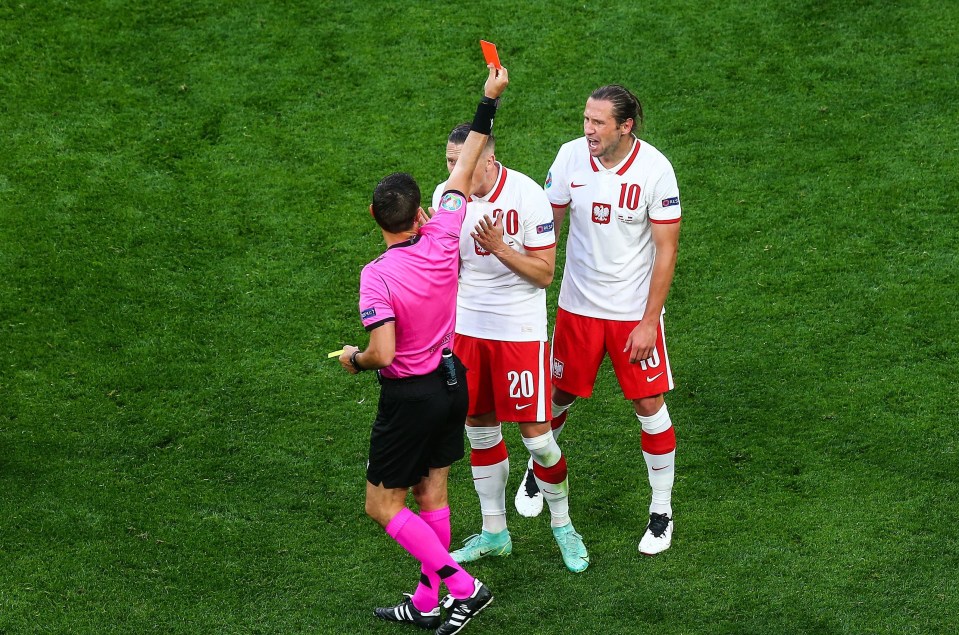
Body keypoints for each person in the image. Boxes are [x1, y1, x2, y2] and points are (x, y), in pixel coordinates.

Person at [338, 63, 508, 635]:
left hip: (408, 396)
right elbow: (465, 165)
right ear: (420, 212)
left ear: (374, 218)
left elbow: (382, 353)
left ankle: (463, 586)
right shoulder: (443, 232)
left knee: (382, 506)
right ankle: (431, 599)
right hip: (450, 382)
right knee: (431, 488)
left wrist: (352, 360)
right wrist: (488, 99)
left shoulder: (376, 276)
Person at [430, 125, 588, 573]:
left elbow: (543, 274)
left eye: (464, 159)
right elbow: (446, 268)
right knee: (479, 431)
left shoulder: (526, 195)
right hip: (467, 331)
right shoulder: (448, 196)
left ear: (489, 159)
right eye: (449, 159)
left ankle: (562, 524)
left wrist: (499, 247)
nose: (455, 168)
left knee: (538, 440)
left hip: (519, 329)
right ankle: (495, 532)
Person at [533, 84, 682, 556]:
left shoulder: (656, 170)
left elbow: (666, 252)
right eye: (585, 119)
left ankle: (661, 512)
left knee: (649, 406)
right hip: (577, 307)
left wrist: (648, 322)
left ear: (625, 126)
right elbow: (547, 224)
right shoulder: (571, 157)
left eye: (598, 122)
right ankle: (540, 471)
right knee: (559, 394)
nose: (588, 130)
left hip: (630, 315)